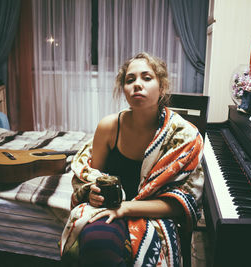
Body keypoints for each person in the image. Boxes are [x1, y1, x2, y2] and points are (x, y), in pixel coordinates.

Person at [60, 52, 204, 266]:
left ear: (162, 87)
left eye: (147, 78)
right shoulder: (109, 127)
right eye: (130, 79)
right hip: (110, 209)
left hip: (155, 215)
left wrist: (127, 208)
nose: (137, 84)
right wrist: (94, 194)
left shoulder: (183, 136)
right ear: (124, 89)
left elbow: (182, 204)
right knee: (98, 242)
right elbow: (91, 178)